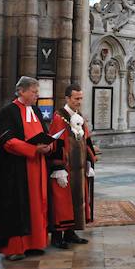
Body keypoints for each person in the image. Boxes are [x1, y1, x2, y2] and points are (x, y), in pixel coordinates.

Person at [0, 77, 60, 261]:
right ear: (21, 91)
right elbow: (7, 140)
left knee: (38, 203)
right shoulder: (8, 112)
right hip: (17, 168)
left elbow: (43, 133)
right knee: (17, 206)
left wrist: (48, 146)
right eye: (34, 91)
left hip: (37, 166)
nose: (37, 95)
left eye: (37, 91)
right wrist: (32, 149)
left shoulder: (36, 110)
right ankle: (16, 247)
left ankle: (35, 243)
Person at [48, 84, 92, 245]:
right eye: (76, 98)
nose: (79, 101)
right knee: (62, 203)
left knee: (76, 201)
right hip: (65, 169)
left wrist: (89, 161)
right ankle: (57, 237)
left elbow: (87, 141)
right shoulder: (59, 117)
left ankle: (70, 232)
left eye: (81, 98)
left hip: (78, 169)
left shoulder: (80, 116)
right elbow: (56, 143)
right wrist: (58, 169)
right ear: (67, 98)